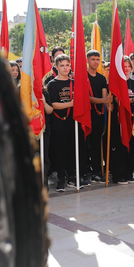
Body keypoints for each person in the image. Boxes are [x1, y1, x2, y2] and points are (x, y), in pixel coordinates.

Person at [110, 56, 134, 184]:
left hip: (133, 120)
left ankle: (129, 173)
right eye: (124, 66)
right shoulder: (115, 84)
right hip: (120, 120)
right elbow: (120, 102)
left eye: (128, 66)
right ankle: (119, 175)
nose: (126, 69)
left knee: (132, 146)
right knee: (120, 147)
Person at [47, 54, 78, 192]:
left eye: (67, 65)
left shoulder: (73, 82)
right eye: (62, 65)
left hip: (73, 121)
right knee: (59, 150)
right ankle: (60, 177)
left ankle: (71, 175)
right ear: (56, 67)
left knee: (72, 149)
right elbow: (53, 105)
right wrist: (71, 104)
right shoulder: (52, 84)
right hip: (58, 122)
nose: (65, 68)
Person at [86, 50, 111, 182]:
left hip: (99, 115)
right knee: (85, 144)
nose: (95, 62)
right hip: (86, 115)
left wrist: (107, 104)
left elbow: (104, 95)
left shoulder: (101, 78)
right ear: (87, 60)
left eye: (97, 59)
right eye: (93, 59)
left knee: (96, 144)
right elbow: (86, 98)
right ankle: (84, 171)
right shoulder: (83, 76)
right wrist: (104, 101)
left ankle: (96, 171)